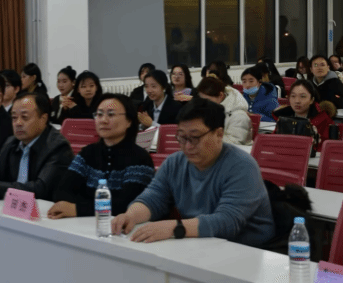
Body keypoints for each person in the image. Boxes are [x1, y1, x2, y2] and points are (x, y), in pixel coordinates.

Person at [111, 98, 275, 248]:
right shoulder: (175, 162)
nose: (187, 146)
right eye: (182, 138)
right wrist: (130, 216)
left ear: (219, 134)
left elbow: (227, 222)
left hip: (247, 249)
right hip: (201, 243)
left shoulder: (242, 166)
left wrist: (174, 227)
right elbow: (153, 198)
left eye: (195, 138)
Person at [48, 93, 154, 219]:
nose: (103, 120)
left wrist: (78, 209)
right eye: (99, 114)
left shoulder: (140, 159)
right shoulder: (87, 153)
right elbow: (62, 192)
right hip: (82, 224)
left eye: (111, 114)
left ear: (129, 121)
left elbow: (126, 205)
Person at [0, 92, 74, 200]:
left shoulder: (58, 147)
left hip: (46, 208)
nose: (18, 123)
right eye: (14, 118)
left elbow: (41, 189)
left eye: (25, 117)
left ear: (43, 118)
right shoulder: (12, 142)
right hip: (14, 205)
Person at [272, 80, 334, 152]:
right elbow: (274, 142)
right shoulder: (283, 117)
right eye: (293, 96)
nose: (297, 101)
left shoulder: (323, 120)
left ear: (312, 100)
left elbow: (327, 149)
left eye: (303, 96)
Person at [196, 77, 252, 145]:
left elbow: (235, 142)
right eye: (201, 100)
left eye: (208, 100)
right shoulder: (210, 109)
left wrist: (207, 138)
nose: (204, 104)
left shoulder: (239, 115)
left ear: (221, 95)